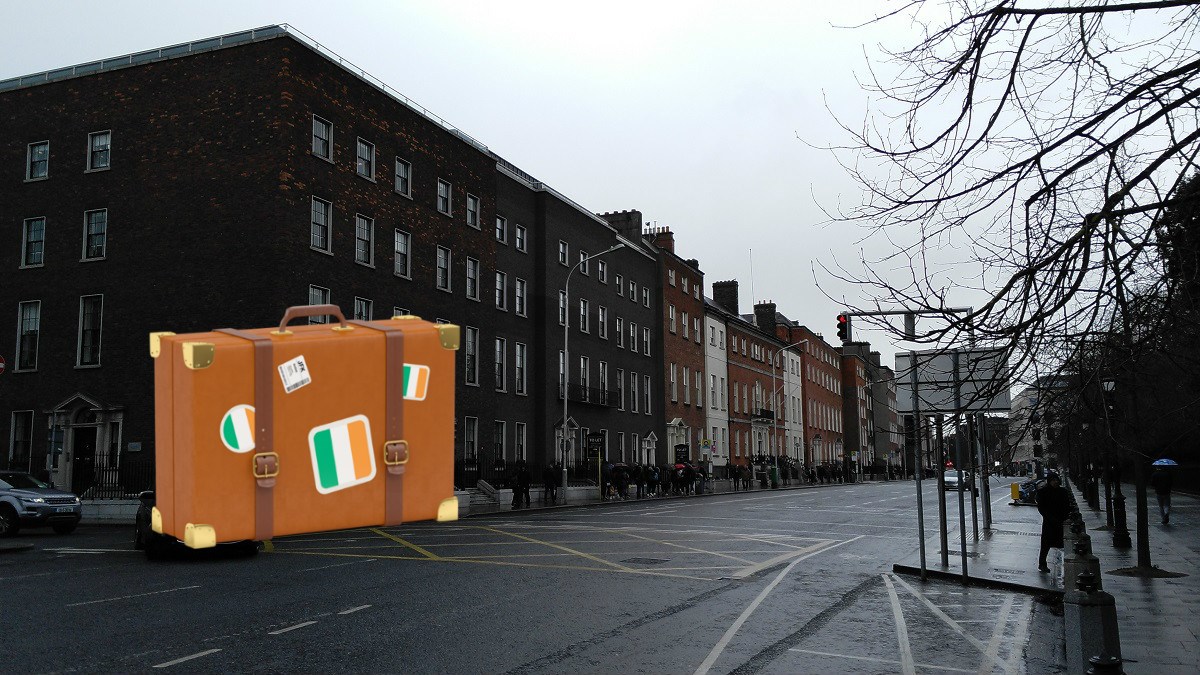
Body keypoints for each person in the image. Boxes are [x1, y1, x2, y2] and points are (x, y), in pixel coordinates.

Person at [1036, 472, 1071, 572]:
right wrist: (1049, 517)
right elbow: (1041, 508)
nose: (1055, 482)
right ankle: (1042, 564)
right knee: (1046, 544)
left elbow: (1067, 505)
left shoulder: (1063, 492)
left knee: (1063, 544)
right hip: (1049, 522)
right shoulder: (1043, 492)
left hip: (1061, 521)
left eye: (1056, 480)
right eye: (1053, 480)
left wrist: (1065, 516)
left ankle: (1065, 564)